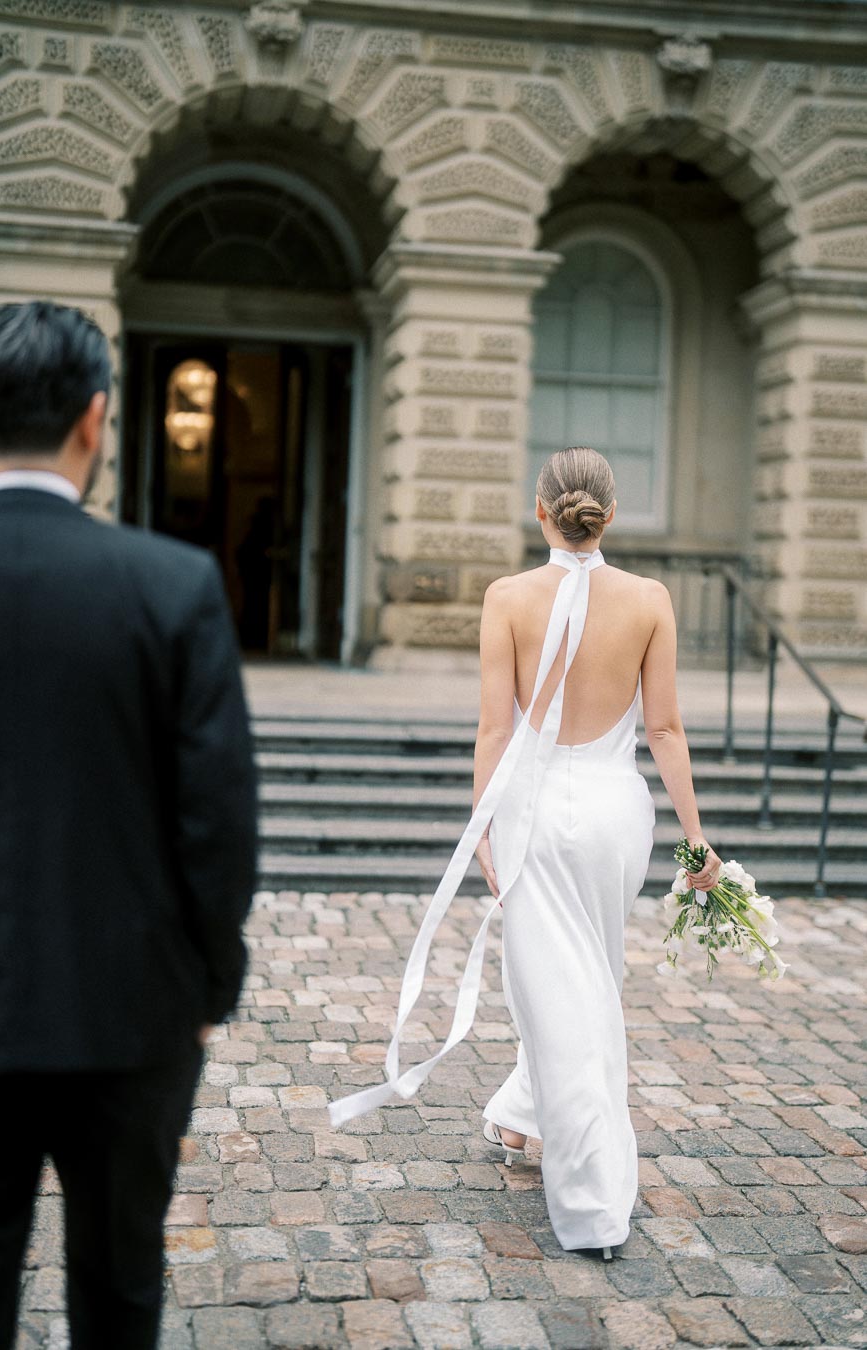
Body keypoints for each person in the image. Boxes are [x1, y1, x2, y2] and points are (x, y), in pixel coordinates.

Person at [329, 446, 720, 1260]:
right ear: (607, 516)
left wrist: (483, 826)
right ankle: (519, 1113)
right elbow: (665, 731)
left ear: (540, 511)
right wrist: (695, 838)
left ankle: (592, 1203)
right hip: (616, 815)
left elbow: (494, 730)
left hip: (534, 815)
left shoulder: (506, 597)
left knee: (563, 987)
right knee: (586, 974)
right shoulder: (649, 600)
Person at [0, 301, 258, 1349]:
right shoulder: (173, 585)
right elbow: (219, 825)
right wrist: (210, 983)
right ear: (96, 419)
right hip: (130, 1015)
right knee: (122, 1286)